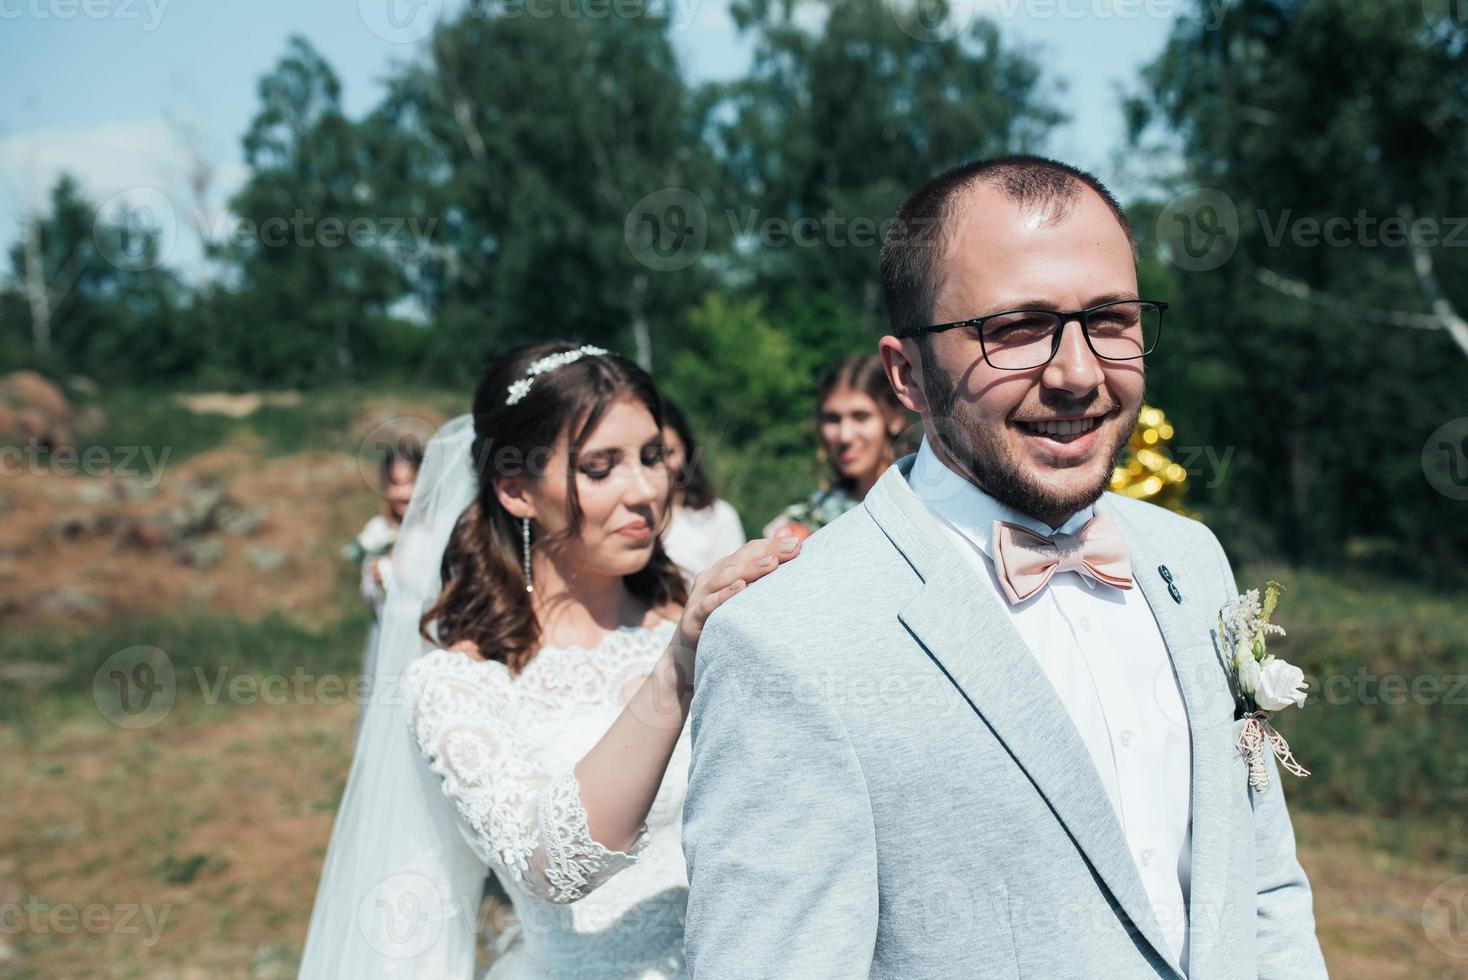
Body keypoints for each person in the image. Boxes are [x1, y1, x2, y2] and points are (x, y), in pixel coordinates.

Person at [682, 156, 1327, 978]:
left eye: (1111, 319)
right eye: (1015, 328)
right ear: (908, 374)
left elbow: (1262, 883)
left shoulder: (1190, 561)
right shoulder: (788, 640)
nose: (1078, 373)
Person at [300, 341, 800, 979]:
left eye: (652, 458)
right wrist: (676, 669)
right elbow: (554, 864)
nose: (646, 490)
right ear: (516, 490)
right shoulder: (456, 683)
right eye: (600, 468)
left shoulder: (703, 615)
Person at [762, 354, 908, 540]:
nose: (845, 435)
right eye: (833, 419)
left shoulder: (926, 504)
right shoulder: (802, 523)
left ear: (895, 418)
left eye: (860, 416)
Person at [351, 437, 422, 687]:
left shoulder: (431, 533)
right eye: (395, 484)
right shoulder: (378, 532)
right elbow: (367, 595)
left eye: (411, 482)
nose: (404, 493)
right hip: (384, 634)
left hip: (420, 637)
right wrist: (376, 580)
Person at [658, 397, 746, 583]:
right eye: (649, 455)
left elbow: (735, 591)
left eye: (669, 453)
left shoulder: (718, 516)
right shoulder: (627, 523)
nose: (662, 465)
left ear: (687, 451)